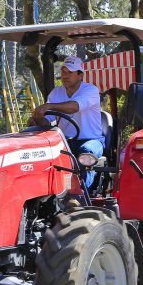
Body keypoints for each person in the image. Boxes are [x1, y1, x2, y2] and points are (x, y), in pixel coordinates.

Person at [31, 55, 104, 188]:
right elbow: (48, 121)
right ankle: (46, 192)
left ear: (80, 75)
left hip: (91, 139)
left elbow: (74, 107)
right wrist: (38, 118)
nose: (65, 75)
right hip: (66, 141)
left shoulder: (91, 90)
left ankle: (79, 194)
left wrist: (49, 106)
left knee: (86, 151)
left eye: (69, 72)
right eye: (63, 72)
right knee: (42, 153)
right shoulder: (56, 93)